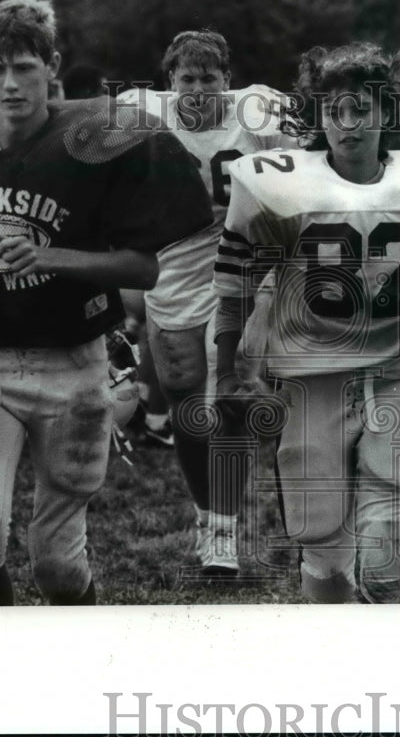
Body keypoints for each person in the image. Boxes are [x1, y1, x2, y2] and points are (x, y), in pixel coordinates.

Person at [0, 0, 211, 605]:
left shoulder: (97, 134)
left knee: (57, 560)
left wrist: (50, 256)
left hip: (73, 361)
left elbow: (144, 268)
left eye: (25, 67)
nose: (10, 84)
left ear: (53, 65)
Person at [213, 42, 400, 603]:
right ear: (319, 115)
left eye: (362, 108)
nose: (348, 123)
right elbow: (234, 286)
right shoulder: (278, 184)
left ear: (388, 112)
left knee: (386, 553)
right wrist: (227, 371)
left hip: (398, 374)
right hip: (312, 379)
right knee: (323, 548)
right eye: (335, 109)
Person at [118, 30, 297, 576]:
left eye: (210, 78)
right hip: (172, 266)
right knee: (186, 404)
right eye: (187, 79)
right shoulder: (138, 113)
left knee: (232, 400)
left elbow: (303, 180)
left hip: (244, 261)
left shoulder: (259, 114)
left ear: (229, 80)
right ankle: (205, 513)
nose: (198, 90)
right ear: (169, 82)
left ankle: (224, 530)